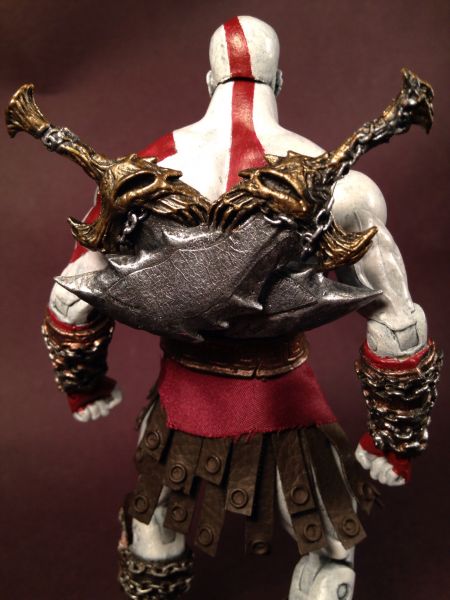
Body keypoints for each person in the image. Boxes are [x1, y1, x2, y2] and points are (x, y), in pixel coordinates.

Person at [40, 16, 440, 600]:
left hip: (187, 405)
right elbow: (398, 321)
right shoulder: (343, 187)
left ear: (209, 81)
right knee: (332, 558)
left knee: (153, 539)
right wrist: (393, 441)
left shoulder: (142, 171)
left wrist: (85, 385)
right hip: (283, 401)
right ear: (281, 81)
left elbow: (71, 298)